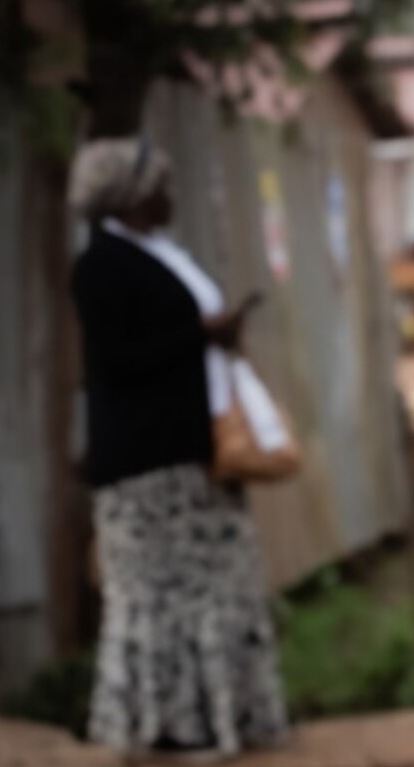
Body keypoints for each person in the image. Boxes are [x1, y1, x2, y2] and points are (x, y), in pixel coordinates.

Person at [68, 138, 289, 758]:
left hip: (197, 454)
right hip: (146, 465)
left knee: (218, 592)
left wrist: (214, 337)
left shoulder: (162, 254)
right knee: (157, 598)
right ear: (134, 195)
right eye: (162, 185)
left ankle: (225, 718)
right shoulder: (102, 266)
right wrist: (197, 334)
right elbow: (114, 363)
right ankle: (164, 725)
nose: (172, 195)